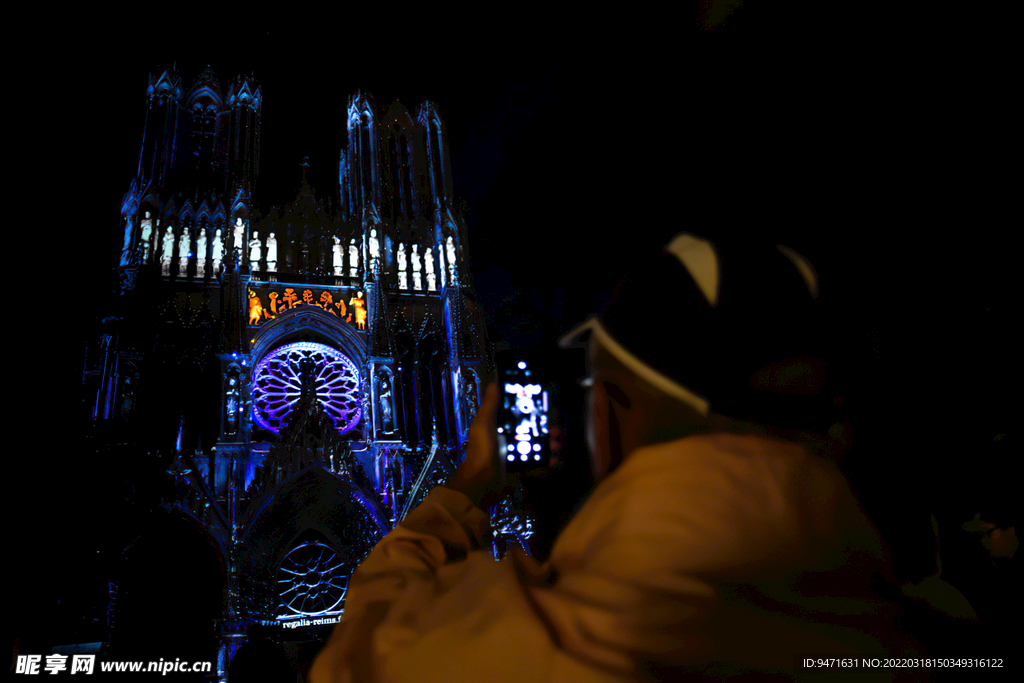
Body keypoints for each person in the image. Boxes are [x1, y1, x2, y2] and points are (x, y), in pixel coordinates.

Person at [311, 233, 922, 682]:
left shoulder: (537, 651)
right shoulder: (925, 637)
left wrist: (468, 487)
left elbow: (356, 655)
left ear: (606, 412)